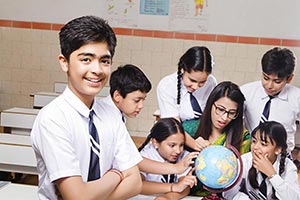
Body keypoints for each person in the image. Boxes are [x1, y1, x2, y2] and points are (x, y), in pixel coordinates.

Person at [31, 15, 142, 200]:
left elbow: (136, 182)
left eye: (104, 61)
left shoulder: (111, 114)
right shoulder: (52, 119)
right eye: (86, 59)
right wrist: (116, 174)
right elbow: (77, 197)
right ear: (64, 62)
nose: (97, 70)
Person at [100, 64, 198, 176]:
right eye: (137, 100)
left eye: (143, 100)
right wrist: (176, 168)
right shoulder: (109, 118)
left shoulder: (115, 113)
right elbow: (135, 160)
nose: (141, 105)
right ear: (117, 96)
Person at [191, 81, 251, 197]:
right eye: (220, 109)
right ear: (211, 104)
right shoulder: (191, 128)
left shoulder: (243, 138)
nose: (224, 117)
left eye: (231, 113)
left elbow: (241, 181)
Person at [241, 47, 300, 157]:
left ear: (289, 79)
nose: (269, 86)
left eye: (277, 81)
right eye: (266, 78)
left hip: (282, 157)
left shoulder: (296, 98)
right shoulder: (246, 92)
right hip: (251, 154)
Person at [157, 46, 217, 151]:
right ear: (182, 70)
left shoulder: (211, 83)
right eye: (192, 80)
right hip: (178, 138)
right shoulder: (166, 86)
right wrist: (195, 144)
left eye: (202, 82)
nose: (195, 86)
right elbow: (174, 125)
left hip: (205, 137)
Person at [223, 121, 300, 200]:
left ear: (278, 149)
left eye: (263, 144)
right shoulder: (245, 160)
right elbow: (228, 192)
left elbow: (295, 198)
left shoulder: (288, 167)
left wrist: (273, 175)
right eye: (254, 141)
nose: (255, 147)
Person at [138, 118, 198, 199]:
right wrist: (173, 187)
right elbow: (138, 185)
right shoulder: (146, 155)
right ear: (155, 142)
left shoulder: (184, 156)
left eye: (181, 145)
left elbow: (185, 188)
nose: (178, 151)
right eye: (172, 145)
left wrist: (167, 198)